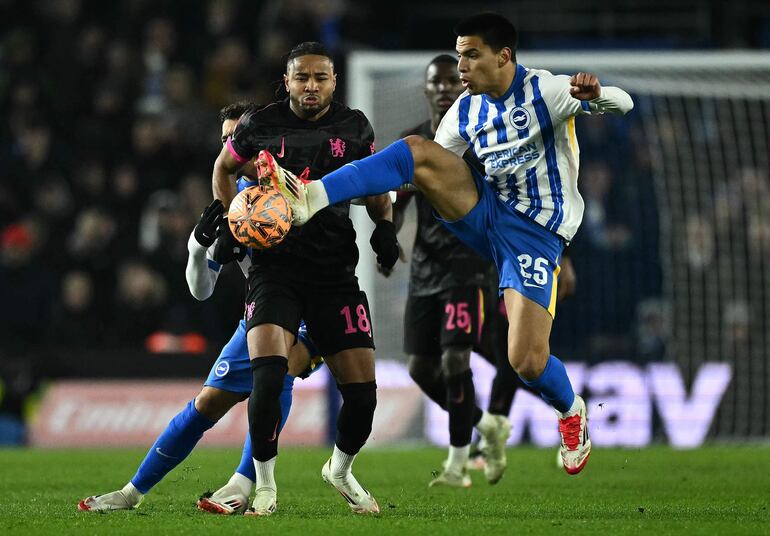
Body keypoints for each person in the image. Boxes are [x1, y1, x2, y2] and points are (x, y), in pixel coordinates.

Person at [259, 13, 633, 475]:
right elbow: (428, 174)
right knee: (416, 150)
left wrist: (599, 96)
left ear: (504, 56)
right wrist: (380, 207)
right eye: (459, 55)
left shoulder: (549, 92)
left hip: (534, 236)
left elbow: (625, 102)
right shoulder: (465, 111)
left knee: (526, 359)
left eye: (471, 55)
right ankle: (312, 194)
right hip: (482, 215)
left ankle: (570, 410)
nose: (462, 66)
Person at [78, 102, 322, 515]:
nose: (232, 145)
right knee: (208, 402)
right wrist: (197, 248)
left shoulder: (295, 184)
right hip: (261, 310)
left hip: (315, 308)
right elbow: (201, 292)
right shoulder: (232, 203)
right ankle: (132, 493)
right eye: (225, 138)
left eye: (239, 136)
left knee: (277, 372)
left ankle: (246, 486)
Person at [211, 42, 398, 515]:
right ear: (287, 81)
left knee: (362, 397)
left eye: (320, 78)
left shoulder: (354, 127)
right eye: (302, 78)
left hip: (335, 272)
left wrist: (386, 229)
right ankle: (266, 486)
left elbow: (377, 184)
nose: (311, 86)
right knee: (268, 378)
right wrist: (227, 218)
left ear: (334, 82)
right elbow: (223, 166)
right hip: (275, 269)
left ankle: (339, 468)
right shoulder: (261, 124)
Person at [393, 54, 511, 488]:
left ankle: (458, 463)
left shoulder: (483, 139)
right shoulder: (413, 142)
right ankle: (486, 425)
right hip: (426, 268)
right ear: (426, 89)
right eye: (435, 82)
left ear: (463, 88)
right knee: (420, 369)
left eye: (450, 82)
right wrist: (387, 237)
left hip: (471, 267)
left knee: (456, 357)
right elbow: (399, 200)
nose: (443, 88)